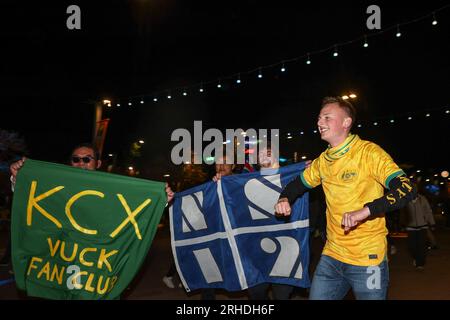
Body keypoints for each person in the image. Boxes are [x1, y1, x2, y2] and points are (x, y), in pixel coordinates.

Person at [275, 96, 416, 300]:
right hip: (332, 256)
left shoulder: (369, 153)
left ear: (346, 122)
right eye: (319, 118)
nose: (319, 122)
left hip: (368, 259)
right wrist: (284, 198)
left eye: (327, 117)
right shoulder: (323, 161)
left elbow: (407, 188)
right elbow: (296, 185)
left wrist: (365, 211)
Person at [246, 147, 295, 300]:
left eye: (269, 152)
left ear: (276, 156)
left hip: (285, 248)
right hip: (257, 249)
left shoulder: (292, 179)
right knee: (256, 292)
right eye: (260, 153)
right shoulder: (246, 182)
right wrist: (220, 183)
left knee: (281, 294)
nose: (264, 154)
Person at [401, 192, 435, 270]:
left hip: (422, 226)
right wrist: (402, 223)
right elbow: (402, 212)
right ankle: (416, 258)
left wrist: (432, 222)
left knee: (421, 246)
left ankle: (420, 264)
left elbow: (428, 210)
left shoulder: (422, 198)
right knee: (411, 246)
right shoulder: (405, 199)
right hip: (410, 227)